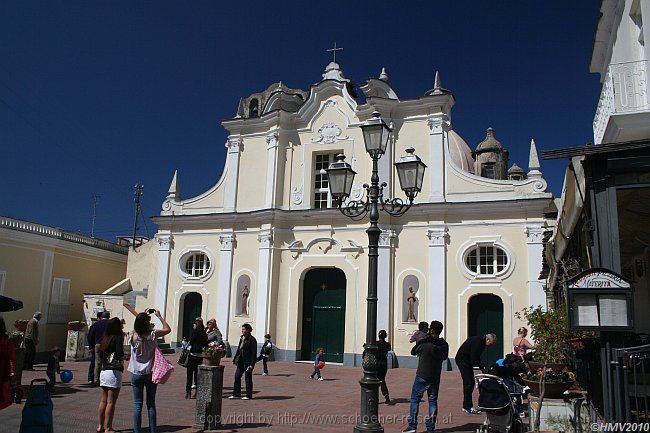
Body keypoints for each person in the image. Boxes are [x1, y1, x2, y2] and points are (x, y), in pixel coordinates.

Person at [124, 304, 171, 433]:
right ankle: (152, 430)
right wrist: (159, 317)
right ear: (147, 323)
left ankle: (137, 430)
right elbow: (168, 329)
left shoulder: (132, 335)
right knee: (151, 404)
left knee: (137, 404)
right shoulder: (153, 334)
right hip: (150, 373)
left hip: (136, 373)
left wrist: (142, 316)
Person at [402, 321, 449, 433]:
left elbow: (413, 351)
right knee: (432, 400)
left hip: (422, 374)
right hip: (435, 376)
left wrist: (424, 339)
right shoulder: (443, 344)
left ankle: (412, 426)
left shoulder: (425, 343)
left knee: (415, 399)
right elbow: (444, 357)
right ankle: (430, 428)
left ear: (431, 330)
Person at [455, 333, 497, 414]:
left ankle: (466, 405)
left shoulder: (481, 342)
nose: (490, 346)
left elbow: (476, 357)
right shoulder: (478, 341)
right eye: (491, 343)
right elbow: (474, 357)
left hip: (467, 361)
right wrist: (482, 367)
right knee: (469, 383)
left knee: (470, 383)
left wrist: (482, 367)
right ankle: (467, 406)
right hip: (463, 361)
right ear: (488, 339)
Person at [97, 317, 125, 433]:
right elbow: (119, 353)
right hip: (114, 371)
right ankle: (108, 427)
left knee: (103, 400)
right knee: (111, 402)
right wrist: (125, 357)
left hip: (104, 371)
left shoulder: (106, 338)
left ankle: (100, 426)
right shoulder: (117, 338)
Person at [229, 323, 257, 400]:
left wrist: (252, 364)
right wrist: (235, 359)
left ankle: (248, 395)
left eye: (244, 329)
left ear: (248, 330)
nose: (242, 330)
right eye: (242, 329)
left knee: (247, 378)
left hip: (248, 361)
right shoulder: (242, 338)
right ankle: (236, 394)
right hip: (241, 361)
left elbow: (253, 353)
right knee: (237, 376)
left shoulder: (252, 340)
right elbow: (239, 349)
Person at [185, 318, 208, 399]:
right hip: (200, 356)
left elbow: (191, 341)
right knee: (197, 375)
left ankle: (188, 392)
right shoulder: (204, 333)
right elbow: (206, 343)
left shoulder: (195, 332)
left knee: (189, 375)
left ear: (196, 325)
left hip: (193, 355)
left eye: (194, 324)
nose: (193, 325)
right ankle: (197, 392)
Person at [0, 317, 15, 411]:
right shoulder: (7, 341)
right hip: (3, 373)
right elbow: (11, 358)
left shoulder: (6, 342)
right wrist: (12, 371)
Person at [87, 311, 105, 383]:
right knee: (101, 362)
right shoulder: (108, 324)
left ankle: (91, 378)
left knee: (93, 362)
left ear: (98, 317)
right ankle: (100, 378)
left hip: (95, 345)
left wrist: (91, 347)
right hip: (104, 345)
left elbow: (90, 336)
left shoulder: (94, 325)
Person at [376, 330, 392, 404]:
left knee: (375, 381)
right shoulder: (387, 345)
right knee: (382, 380)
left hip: (376, 363)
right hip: (384, 363)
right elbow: (388, 349)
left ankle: (375, 398)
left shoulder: (376, 344)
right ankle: (386, 396)